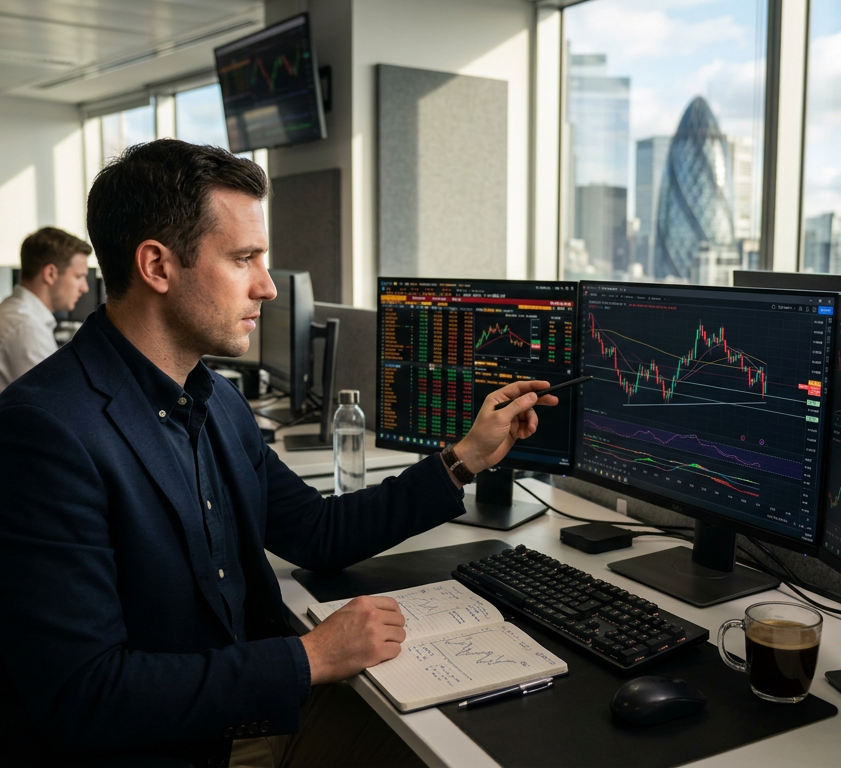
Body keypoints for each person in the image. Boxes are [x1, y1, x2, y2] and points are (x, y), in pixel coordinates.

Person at [0, 139, 556, 768]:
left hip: (239, 712)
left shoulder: (212, 401)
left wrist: (464, 458)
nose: (266, 286)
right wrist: (310, 658)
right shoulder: (46, 431)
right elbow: (85, 696)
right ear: (157, 266)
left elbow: (318, 532)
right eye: (244, 259)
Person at [0, 226, 91, 391]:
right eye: (79, 277)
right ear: (50, 274)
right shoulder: (26, 328)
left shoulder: (14, 312)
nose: (85, 288)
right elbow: (58, 398)